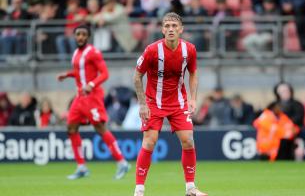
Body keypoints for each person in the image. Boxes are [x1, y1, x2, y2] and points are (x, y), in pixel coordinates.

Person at [133, 12, 207, 196]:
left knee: (188, 140)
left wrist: (193, 98)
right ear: (162, 29)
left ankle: (191, 188)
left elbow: (194, 73)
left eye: (174, 26)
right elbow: (137, 77)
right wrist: (142, 104)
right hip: (153, 101)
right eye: (167, 26)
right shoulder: (151, 50)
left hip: (178, 101)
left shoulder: (189, 50)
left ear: (181, 29)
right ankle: (139, 190)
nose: (171, 29)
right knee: (150, 142)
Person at [56, 25, 130, 180]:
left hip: (92, 96)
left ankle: (122, 162)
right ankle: (81, 166)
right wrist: (67, 75)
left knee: (100, 128)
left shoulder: (93, 53)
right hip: (80, 97)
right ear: (75, 36)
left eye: (83, 34)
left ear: (88, 37)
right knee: (71, 127)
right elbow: (79, 72)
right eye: (78, 34)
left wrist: (91, 84)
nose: (80, 37)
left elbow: (105, 73)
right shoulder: (76, 53)